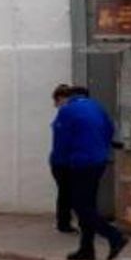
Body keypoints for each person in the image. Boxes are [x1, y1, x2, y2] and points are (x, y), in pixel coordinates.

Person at [52, 85, 127, 260]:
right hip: (99, 161)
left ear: (68, 97)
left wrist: (59, 164)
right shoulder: (97, 107)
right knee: (88, 205)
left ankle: (114, 236)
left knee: (80, 207)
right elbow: (110, 130)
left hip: (80, 163)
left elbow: (61, 142)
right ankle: (87, 249)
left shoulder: (67, 111)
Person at [50, 84, 75, 233]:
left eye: (57, 101)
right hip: (63, 161)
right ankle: (64, 223)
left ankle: (64, 222)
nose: (56, 105)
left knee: (65, 192)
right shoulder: (65, 114)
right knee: (66, 193)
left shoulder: (64, 114)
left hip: (59, 160)